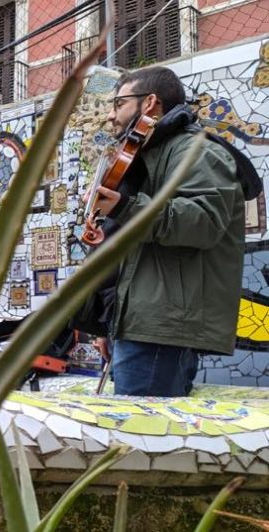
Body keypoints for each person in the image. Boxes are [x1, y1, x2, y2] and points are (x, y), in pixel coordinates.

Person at [90, 66, 246, 397]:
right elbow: (127, 254)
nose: (110, 116)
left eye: (118, 104)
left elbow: (203, 223)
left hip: (160, 329)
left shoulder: (196, 150)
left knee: (136, 439)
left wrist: (125, 207)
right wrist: (109, 323)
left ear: (149, 104)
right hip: (140, 326)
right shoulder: (145, 158)